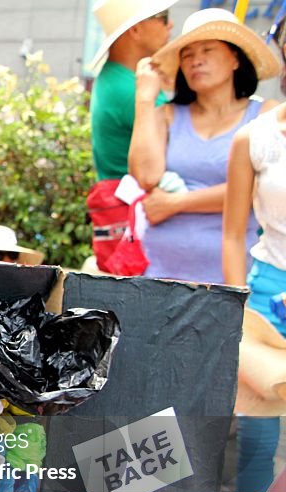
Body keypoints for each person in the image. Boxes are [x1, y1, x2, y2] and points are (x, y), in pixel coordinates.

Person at [129, 8, 279, 284]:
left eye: (207, 50)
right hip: (159, 274)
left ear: (235, 58)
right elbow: (146, 176)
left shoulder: (266, 116)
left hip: (232, 277)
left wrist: (176, 203)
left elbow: (263, 189)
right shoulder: (167, 114)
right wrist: (145, 99)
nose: (196, 61)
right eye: (187, 55)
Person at [218, 12, 286, 492]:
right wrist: (241, 307)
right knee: (259, 436)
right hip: (267, 295)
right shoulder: (256, 137)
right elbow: (234, 234)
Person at [89, 0, 177, 182]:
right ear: (135, 30)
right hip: (139, 205)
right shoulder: (128, 89)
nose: (171, 24)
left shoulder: (116, 78)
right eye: (163, 17)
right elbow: (186, 137)